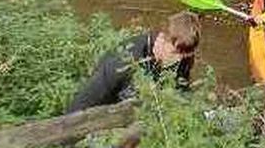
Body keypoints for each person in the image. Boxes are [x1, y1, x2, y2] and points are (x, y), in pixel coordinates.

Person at [67, 12, 201, 113]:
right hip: (109, 118)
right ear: (161, 38)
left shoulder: (184, 56)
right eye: (174, 53)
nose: (178, 60)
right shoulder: (121, 62)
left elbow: (182, 90)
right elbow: (81, 105)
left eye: (184, 55)